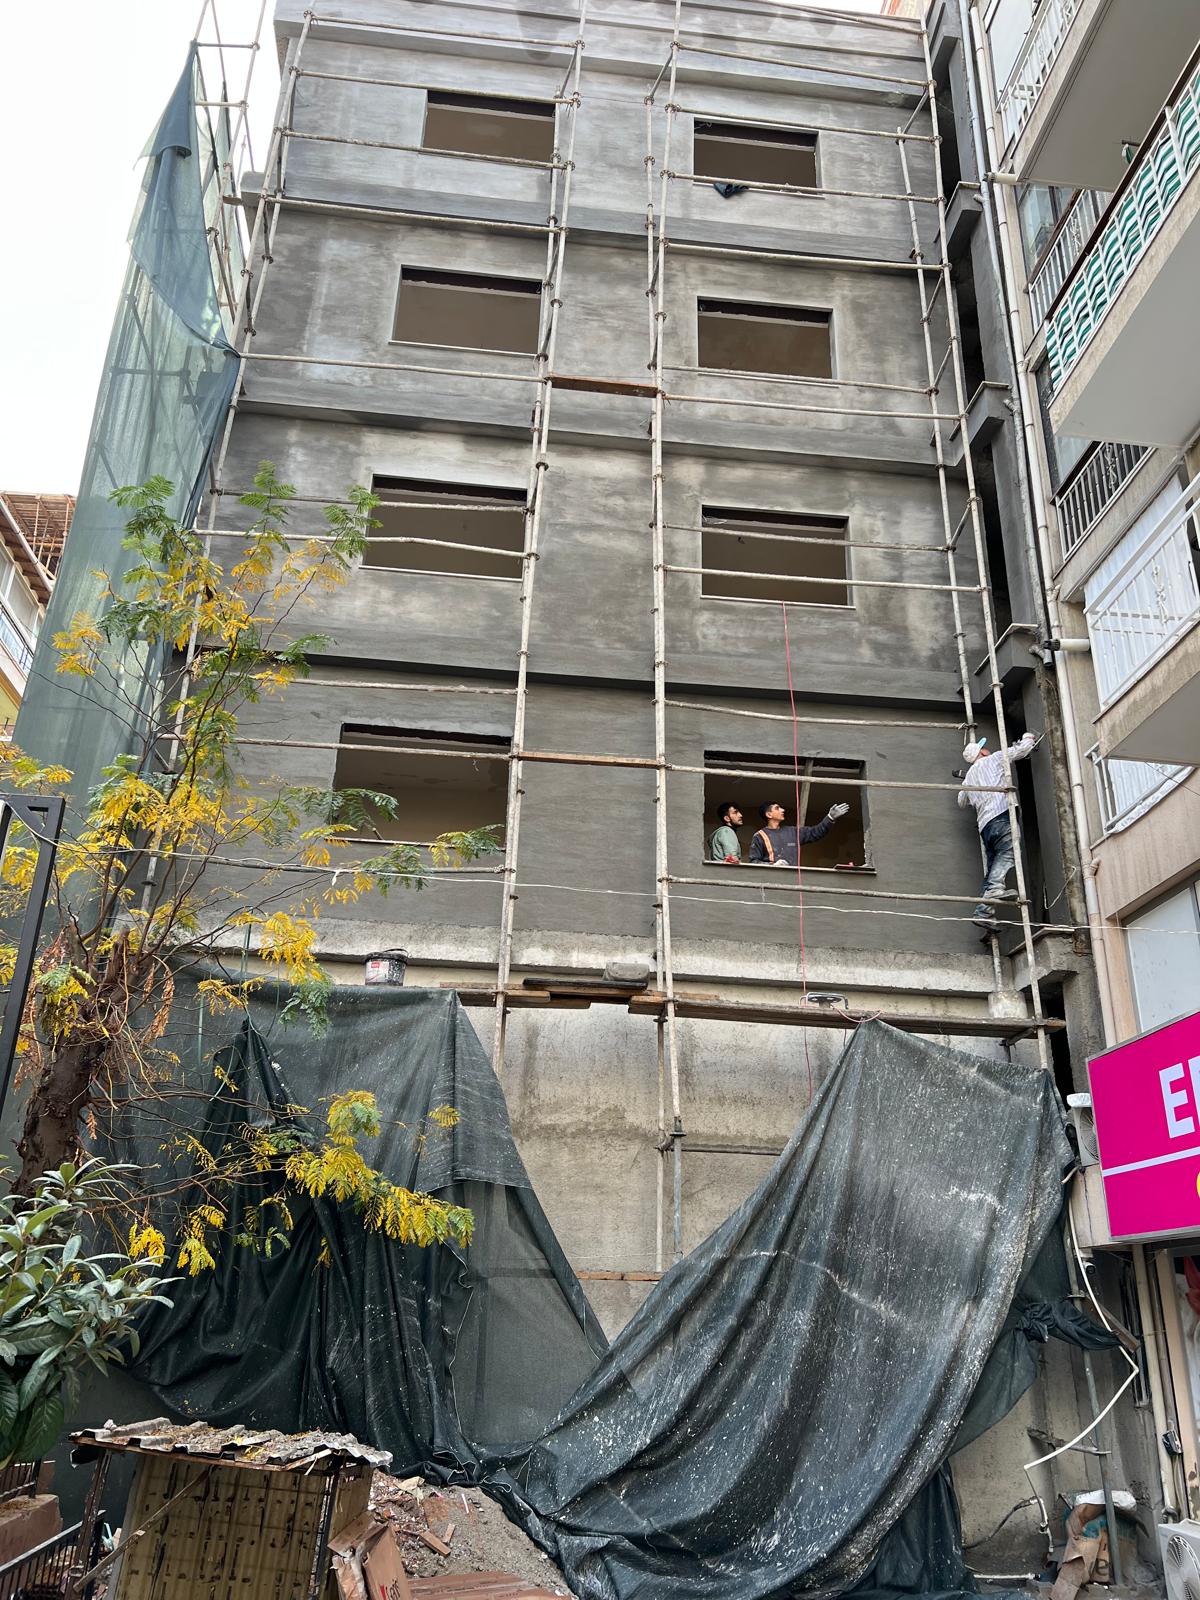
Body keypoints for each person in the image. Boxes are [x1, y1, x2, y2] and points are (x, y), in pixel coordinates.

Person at [957, 732, 1038, 927]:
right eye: (984, 747)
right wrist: (1028, 738)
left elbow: (961, 800)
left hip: (985, 825)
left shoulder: (968, 779)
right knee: (1009, 852)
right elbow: (1021, 750)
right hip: (1001, 814)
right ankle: (994, 889)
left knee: (994, 864)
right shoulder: (994, 758)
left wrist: (971, 783)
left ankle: (983, 912)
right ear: (982, 753)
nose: (987, 749)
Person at [748, 799, 850, 866]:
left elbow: (816, 832)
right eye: (777, 808)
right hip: (771, 880)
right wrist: (773, 866)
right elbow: (754, 862)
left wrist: (830, 818)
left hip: (794, 879)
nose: (783, 810)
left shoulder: (793, 832)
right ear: (769, 814)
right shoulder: (759, 836)